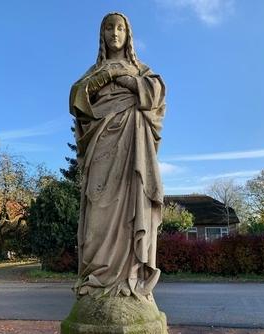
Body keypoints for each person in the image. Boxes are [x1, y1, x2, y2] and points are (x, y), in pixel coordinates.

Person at [70, 12, 166, 298]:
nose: (114, 32)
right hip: (101, 146)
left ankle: (129, 274)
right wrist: (108, 75)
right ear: (102, 35)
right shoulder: (93, 72)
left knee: (131, 207)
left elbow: (156, 93)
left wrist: (129, 81)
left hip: (132, 148)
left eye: (120, 28)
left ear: (128, 34)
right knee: (97, 205)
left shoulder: (141, 70)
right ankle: (97, 274)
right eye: (109, 28)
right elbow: (77, 98)